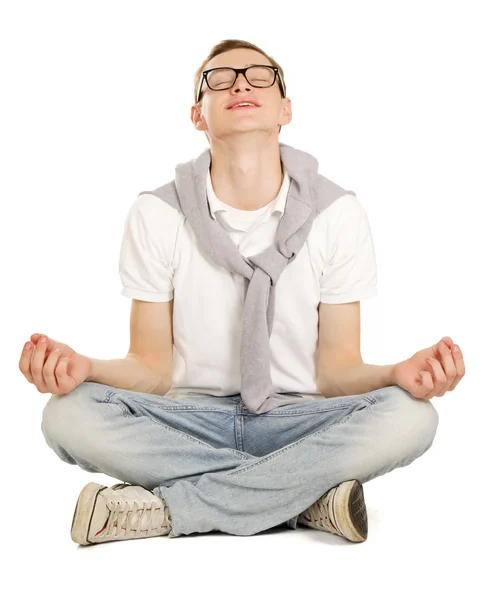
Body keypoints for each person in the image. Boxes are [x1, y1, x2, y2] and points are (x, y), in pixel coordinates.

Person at [20, 39, 465, 547]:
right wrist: (85, 367)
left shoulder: (337, 213)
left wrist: (396, 374)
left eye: (259, 76)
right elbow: (151, 368)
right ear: (197, 115)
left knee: (412, 417)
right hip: (187, 421)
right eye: (220, 78)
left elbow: (339, 371)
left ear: (285, 109)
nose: (239, 83)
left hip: (297, 417)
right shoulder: (157, 214)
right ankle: (305, 496)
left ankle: (166, 510)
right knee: (66, 414)